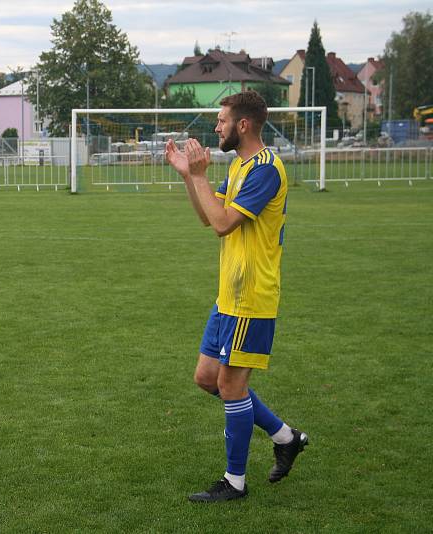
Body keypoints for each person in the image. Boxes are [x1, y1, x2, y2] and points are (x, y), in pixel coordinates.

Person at [165, 90, 308, 502]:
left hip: (252, 297)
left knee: (230, 386)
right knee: (207, 379)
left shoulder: (265, 168)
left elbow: (225, 222)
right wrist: (190, 175)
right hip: (229, 296)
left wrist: (199, 175)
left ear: (242, 124)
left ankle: (235, 482)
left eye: (222, 120)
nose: (216, 126)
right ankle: (286, 437)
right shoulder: (242, 166)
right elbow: (207, 217)